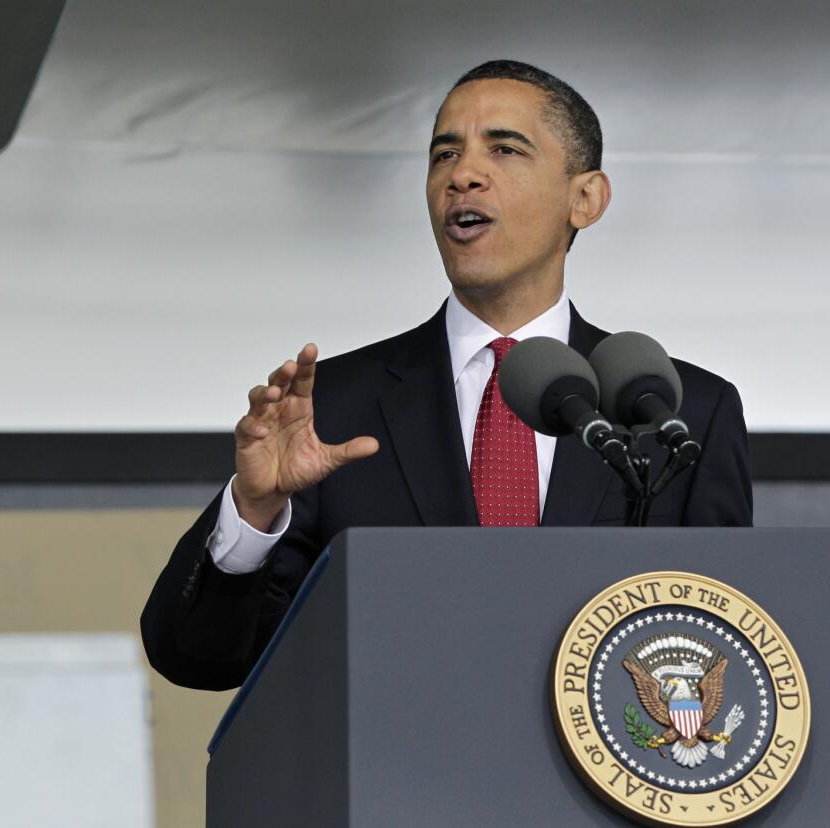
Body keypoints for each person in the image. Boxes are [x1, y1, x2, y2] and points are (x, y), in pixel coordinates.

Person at [141, 60, 753, 691]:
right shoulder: (334, 409)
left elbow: (726, 649)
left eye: (505, 149)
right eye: (444, 156)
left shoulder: (673, 411)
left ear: (586, 198)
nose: (463, 175)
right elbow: (199, 660)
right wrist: (255, 508)